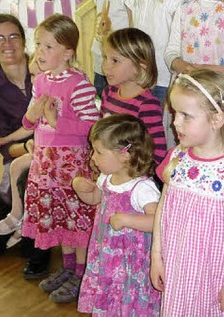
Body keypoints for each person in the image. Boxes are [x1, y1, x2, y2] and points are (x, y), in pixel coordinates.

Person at [151, 69, 224, 315]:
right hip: (179, 270)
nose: (175, 122)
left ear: (216, 120)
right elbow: (162, 211)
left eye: (185, 116)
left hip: (216, 277)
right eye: (175, 113)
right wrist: (156, 256)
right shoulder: (175, 157)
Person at [21, 14, 100, 303]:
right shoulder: (40, 81)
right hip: (45, 163)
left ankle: (81, 273)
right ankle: (67, 268)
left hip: (70, 165)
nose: (40, 52)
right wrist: (30, 118)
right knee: (57, 215)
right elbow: (30, 119)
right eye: (38, 45)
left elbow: (93, 125)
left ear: (67, 53)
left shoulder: (79, 84)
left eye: (48, 47)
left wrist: (57, 122)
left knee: (74, 218)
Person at [0, 14, 51, 279]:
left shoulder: (46, 70)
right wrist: (28, 147)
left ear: (24, 40)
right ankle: (30, 223)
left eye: (14, 36)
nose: (8, 43)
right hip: (20, 162)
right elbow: (3, 145)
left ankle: (39, 247)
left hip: (55, 158)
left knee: (31, 178)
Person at [74, 114, 161, 315]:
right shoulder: (106, 178)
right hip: (106, 254)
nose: (92, 158)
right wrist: (80, 188)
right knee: (109, 294)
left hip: (130, 262)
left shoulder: (142, 188)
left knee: (126, 299)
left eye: (98, 152)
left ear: (125, 155)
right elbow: (96, 199)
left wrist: (127, 220)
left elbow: (158, 221)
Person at [0, 58, 43, 249]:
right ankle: (17, 214)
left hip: (57, 152)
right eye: (32, 76)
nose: (33, 80)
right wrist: (6, 139)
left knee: (28, 179)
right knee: (15, 165)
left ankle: (24, 222)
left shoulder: (54, 93)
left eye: (37, 75)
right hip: (41, 149)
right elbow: (28, 126)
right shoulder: (37, 96)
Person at [100, 28, 166, 167]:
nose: (106, 66)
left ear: (139, 66)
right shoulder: (108, 93)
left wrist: (133, 172)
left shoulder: (146, 104)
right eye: (105, 58)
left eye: (115, 60)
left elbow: (158, 153)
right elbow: (100, 135)